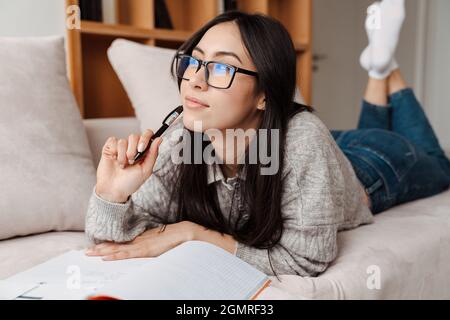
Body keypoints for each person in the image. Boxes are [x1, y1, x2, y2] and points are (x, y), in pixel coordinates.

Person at [84, 2, 450, 277]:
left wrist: (194, 234)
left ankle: (386, 70)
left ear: (264, 95)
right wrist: (112, 194)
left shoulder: (304, 144)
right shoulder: (185, 140)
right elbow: (116, 242)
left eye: (223, 68)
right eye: (194, 62)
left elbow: (307, 257)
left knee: (439, 162)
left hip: (371, 165)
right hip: (322, 152)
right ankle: (379, 67)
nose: (195, 80)